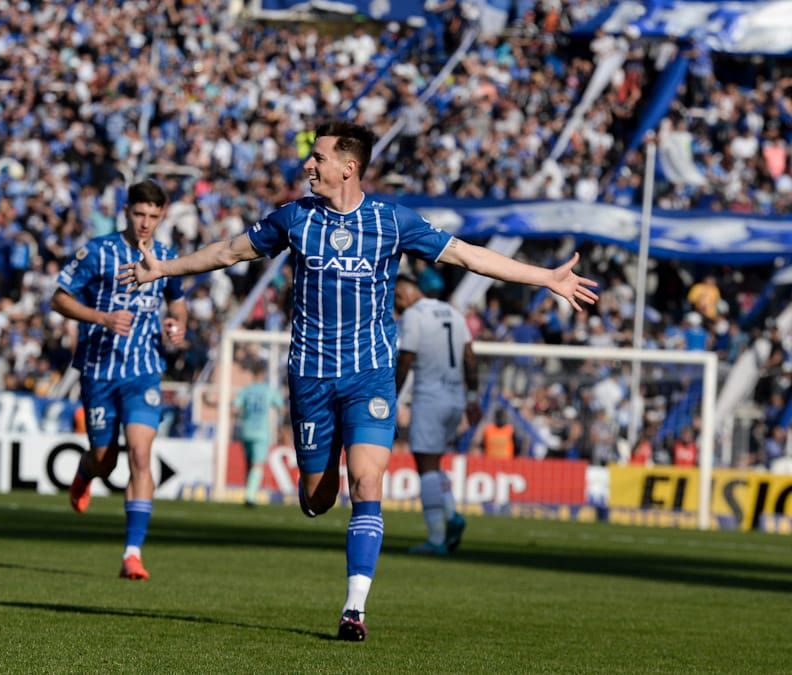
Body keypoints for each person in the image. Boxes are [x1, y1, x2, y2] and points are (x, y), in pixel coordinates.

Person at [118, 120, 598, 641]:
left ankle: (354, 609)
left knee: (368, 482)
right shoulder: (294, 218)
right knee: (317, 499)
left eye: (318, 158)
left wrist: (545, 276)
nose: (309, 166)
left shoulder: (392, 222)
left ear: (348, 167)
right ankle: (327, 487)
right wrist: (163, 270)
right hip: (311, 379)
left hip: (370, 376)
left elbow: (468, 255)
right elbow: (229, 251)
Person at [52, 180, 189, 581]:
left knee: (141, 456)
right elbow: (58, 298)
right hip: (98, 370)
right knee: (104, 458)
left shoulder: (166, 258)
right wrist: (102, 318)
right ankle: (85, 471)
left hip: (144, 372)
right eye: (138, 214)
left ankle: (132, 553)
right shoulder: (97, 252)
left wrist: (176, 327)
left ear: (162, 215)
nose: (145, 223)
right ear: (126, 211)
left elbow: (178, 308)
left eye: (153, 215)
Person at [394, 274, 478, 556]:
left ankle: (437, 537)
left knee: (425, 464)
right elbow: (469, 356)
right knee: (435, 462)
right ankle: (451, 516)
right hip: (455, 397)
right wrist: (472, 397)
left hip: (430, 397)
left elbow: (405, 359)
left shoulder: (414, 316)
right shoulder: (453, 312)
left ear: (403, 294)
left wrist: (390, 398)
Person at [232, 361, 286, 506]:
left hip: (246, 430)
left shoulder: (246, 390)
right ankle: (250, 496)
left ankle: (248, 492)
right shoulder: (268, 390)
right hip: (261, 432)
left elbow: (235, 408)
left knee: (249, 464)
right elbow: (281, 408)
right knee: (257, 465)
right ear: (263, 374)